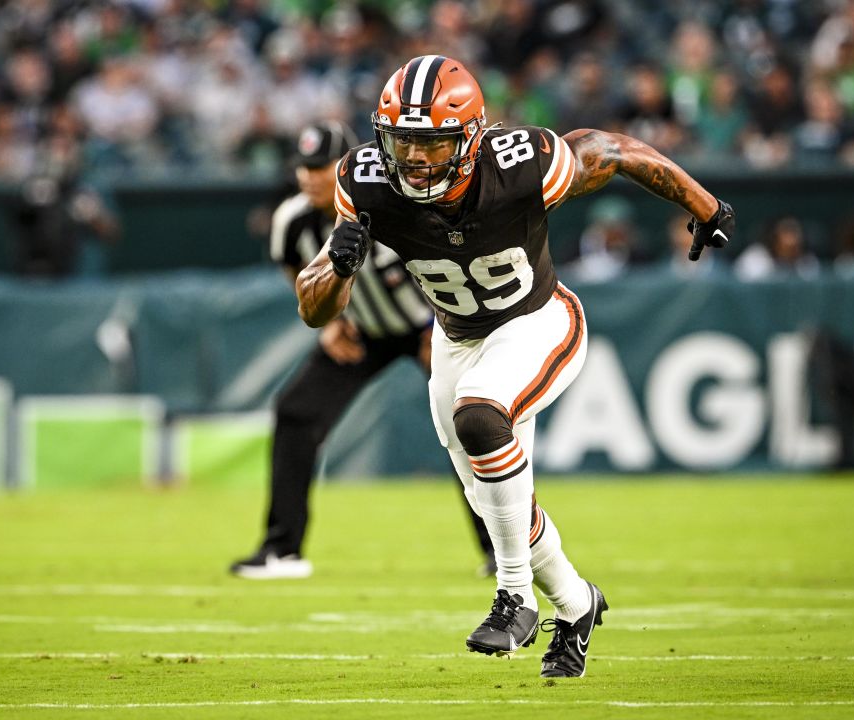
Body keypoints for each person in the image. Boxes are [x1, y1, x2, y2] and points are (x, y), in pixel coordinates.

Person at [295, 56, 734, 678]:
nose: (415, 159)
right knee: (496, 497)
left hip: (537, 320)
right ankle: (578, 606)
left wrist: (706, 205)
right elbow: (315, 311)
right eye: (403, 141)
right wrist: (338, 267)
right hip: (458, 339)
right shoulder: (364, 182)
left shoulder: (519, 163)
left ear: (470, 136)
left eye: (432, 141)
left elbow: (617, 150)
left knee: (480, 417)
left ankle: (514, 596)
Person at [231, 121, 496, 580]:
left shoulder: (387, 204)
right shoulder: (291, 219)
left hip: (428, 326)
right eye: (305, 168)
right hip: (362, 331)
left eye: (322, 167)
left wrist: (441, 329)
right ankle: (282, 549)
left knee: (470, 422)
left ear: (347, 167)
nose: (311, 178)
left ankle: (502, 548)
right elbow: (292, 268)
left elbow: (442, 265)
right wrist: (328, 324)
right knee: (296, 411)